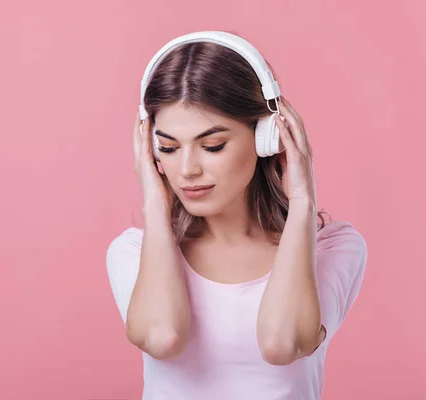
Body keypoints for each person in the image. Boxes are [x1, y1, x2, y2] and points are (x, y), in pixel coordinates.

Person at [105, 31, 368, 400]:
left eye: (212, 146)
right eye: (167, 147)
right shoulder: (133, 251)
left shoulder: (332, 248)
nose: (187, 170)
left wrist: (302, 200)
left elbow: (283, 342)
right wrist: (154, 200)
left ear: (267, 137)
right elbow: (162, 336)